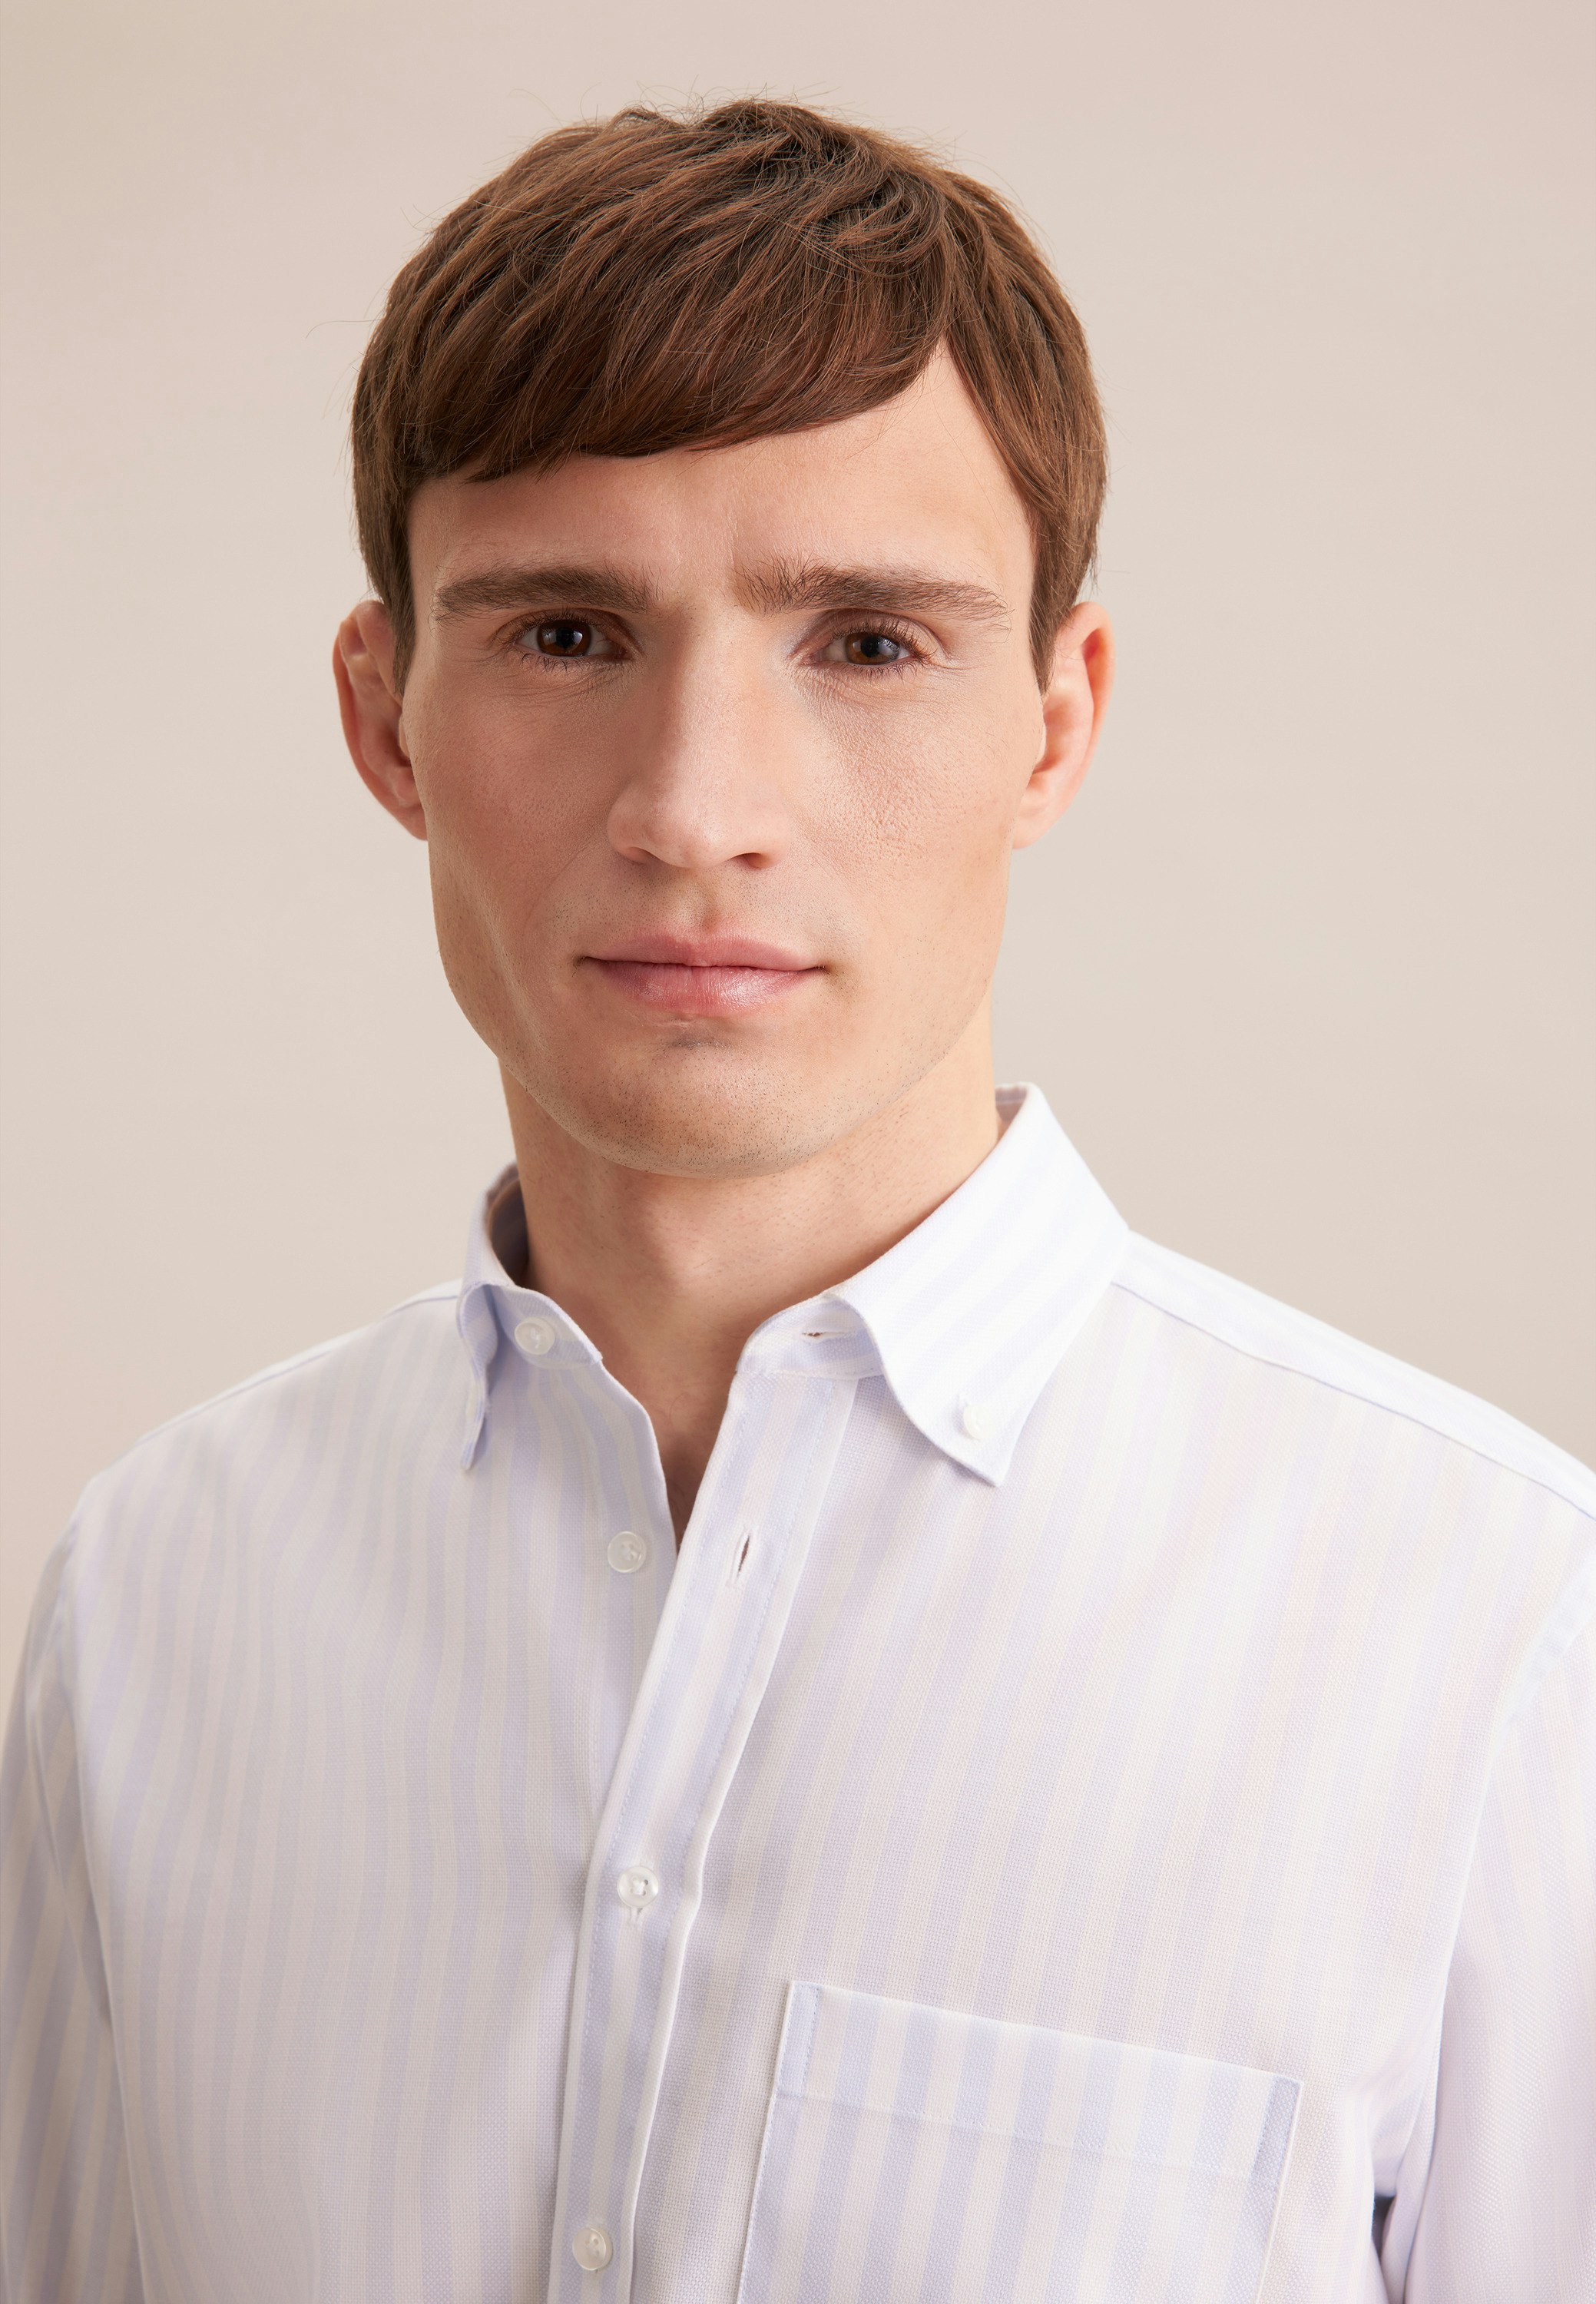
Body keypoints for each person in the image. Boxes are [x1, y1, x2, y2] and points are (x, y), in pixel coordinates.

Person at [1, 96, 1590, 2304]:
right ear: (386, 720)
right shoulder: (154, 1600)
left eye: (866, 642)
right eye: (568, 635)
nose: (695, 808)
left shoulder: (1498, 1638)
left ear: (1057, 723)